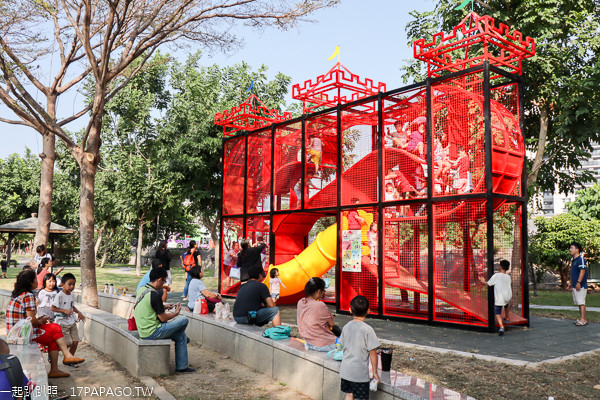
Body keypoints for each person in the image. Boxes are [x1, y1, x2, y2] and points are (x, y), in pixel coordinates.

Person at [6, 269, 84, 378]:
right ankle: (65, 357)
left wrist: (39, 320)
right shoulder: (28, 296)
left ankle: (57, 367)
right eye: (35, 279)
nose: (37, 281)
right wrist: (40, 321)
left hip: (17, 331)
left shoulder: (19, 295)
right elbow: (32, 321)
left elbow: (28, 319)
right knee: (55, 329)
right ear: (30, 282)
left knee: (54, 335)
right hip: (22, 334)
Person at [135, 267, 194, 373]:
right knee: (184, 320)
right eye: (163, 281)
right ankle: (180, 330)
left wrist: (164, 307)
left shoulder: (142, 289)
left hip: (143, 329)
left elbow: (148, 306)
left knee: (181, 337)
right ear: (159, 279)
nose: (164, 284)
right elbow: (163, 318)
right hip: (153, 331)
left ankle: (182, 367)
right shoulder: (155, 295)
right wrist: (175, 313)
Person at [339, 295, 380, 400]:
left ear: (350, 310)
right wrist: (375, 372)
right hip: (360, 374)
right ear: (368, 311)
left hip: (346, 371)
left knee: (349, 395)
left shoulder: (346, 326)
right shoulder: (368, 330)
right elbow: (373, 353)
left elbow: (342, 345)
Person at [297, 277, 340, 352]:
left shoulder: (301, 302)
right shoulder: (320, 305)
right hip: (324, 344)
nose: (324, 292)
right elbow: (332, 324)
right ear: (318, 291)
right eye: (323, 290)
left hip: (309, 342)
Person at [51, 273, 86, 362]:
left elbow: (72, 306)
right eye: (69, 284)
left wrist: (79, 313)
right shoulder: (60, 295)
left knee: (75, 341)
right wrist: (64, 311)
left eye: (73, 284)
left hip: (71, 321)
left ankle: (70, 359)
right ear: (62, 285)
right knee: (67, 343)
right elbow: (53, 308)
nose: (72, 287)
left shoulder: (71, 294)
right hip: (62, 322)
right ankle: (52, 352)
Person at [479, 260, 512, 336]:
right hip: (508, 296)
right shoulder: (508, 277)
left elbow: (489, 284)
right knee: (506, 304)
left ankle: (501, 327)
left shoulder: (496, 276)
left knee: (497, 312)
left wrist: (483, 281)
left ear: (500, 267)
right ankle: (507, 318)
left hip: (500, 297)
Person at [569, 242, 588, 326]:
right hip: (575, 285)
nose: (570, 249)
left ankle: (583, 320)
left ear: (577, 250)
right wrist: (571, 282)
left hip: (581, 285)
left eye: (572, 248)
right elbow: (573, 272)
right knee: (578, 302)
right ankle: (582, 319)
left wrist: (578, 282)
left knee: (581, 303)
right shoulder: (574, 260)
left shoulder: (581, 260)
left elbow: (582, 271)